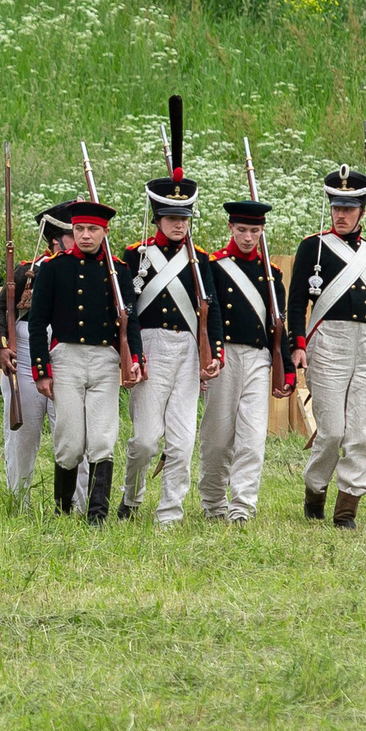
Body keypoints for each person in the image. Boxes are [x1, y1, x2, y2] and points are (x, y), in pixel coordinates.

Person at [287, 167, 366, 529]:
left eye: (349, 209)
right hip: (328, 342)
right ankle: (315, 488)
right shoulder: (313, 247)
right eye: (337, 207)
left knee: (360, 432)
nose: (341, 214)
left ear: (362, 211)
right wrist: (298, 344)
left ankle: (347, 509)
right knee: (332, 431)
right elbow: (295, 303)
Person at [118, 168, 215, 524]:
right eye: (173, 218)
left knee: (182, 442)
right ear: (158, 219)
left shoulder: (200, 259)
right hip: (150, 347)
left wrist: (213, 354)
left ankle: (170, 513)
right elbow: (126, 310)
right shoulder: (136, 256)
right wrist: (131, 353)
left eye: (184, 219)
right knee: (144, 441)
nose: (179, 225)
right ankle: (132, 496)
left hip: (188, 351)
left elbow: (211, 310)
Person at [28, 199, 132, 523]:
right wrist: (41, 370)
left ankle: (97, 516)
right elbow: (36, 322)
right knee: (69, 442)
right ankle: (62, 512)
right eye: (79, 229)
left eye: (92, 229)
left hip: (104, 359)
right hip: (66, 359)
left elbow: (131, 321)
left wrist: (135, 358)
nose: (85, 235)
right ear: (72, 230)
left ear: (105, 231)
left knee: (102, 440)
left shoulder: (118, 272)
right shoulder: (54, 268)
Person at [197, 199, 283, 521]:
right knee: (217, 438)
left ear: (262, 232)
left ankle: (243, 506)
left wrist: (285, 369)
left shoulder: (271, 275)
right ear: (231, 228)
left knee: (253, 436)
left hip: (259, 358)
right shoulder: (215, 267)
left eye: (255, 231)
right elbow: (207, 318)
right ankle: (213, 502)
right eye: (243, 229)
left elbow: (278, 325)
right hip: (226, 355)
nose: (248, 237)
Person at [0, 206, 73, 499]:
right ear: (55, 241)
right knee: (22, 433)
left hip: (67, 352)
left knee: (72, 433)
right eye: (71, 233)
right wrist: (2, 347)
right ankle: (18, 499)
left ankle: (78, 503)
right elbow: (1, 312)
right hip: (26, 352)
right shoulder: (28, 271)